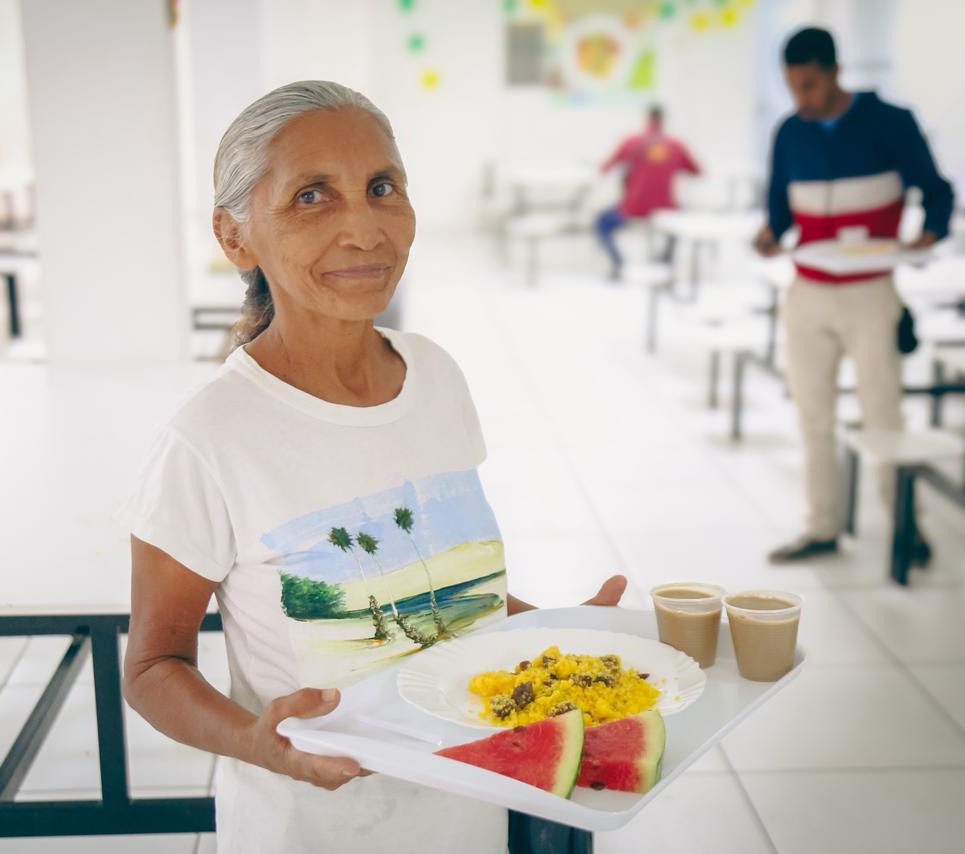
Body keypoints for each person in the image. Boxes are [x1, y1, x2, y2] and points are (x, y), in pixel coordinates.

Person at [117, 80, 627, 854]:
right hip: (314, 828)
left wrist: (563, 640)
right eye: (313, 196)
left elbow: (439, 588)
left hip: (468, 805)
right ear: (235, 236)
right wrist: (260, 742)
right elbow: (153, 667)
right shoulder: (209, 436)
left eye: (382, 188)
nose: (364, 228)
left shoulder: (434, 375)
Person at [754, 27, 954, 564]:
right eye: (793, 88)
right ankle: (822, 526)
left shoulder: (891, 123)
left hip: (871, 293)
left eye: (811, 86)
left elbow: (937, 191)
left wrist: (929, 233)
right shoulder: (789, 132)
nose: (803, 100)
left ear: (836, 71)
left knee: (882, 413)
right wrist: (770, 234)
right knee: (812, 416)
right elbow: (779, 208)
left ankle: (906, 526)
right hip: (808, 294)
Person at [595, 105, 700, 279]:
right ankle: (665, 262)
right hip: (667, 208)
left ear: (646, 118)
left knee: (601, 222)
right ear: (663, 120)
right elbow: (697, 171)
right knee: (679, 224)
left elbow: (605, 167)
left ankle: (618, 264)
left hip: (633, 209)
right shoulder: (676, 145)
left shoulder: (631, 141)